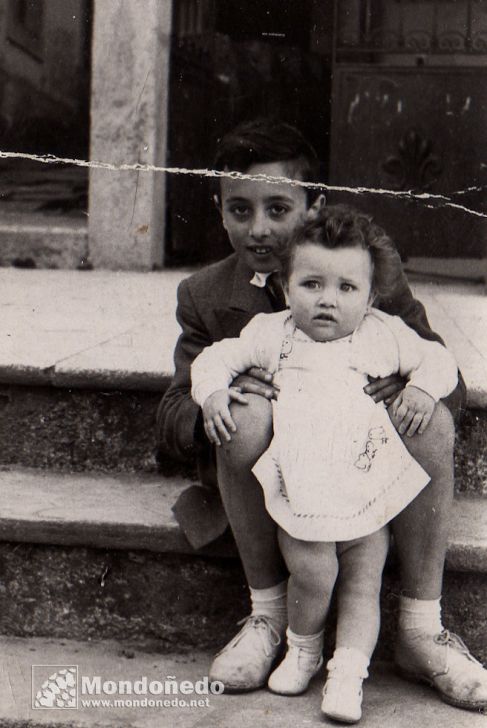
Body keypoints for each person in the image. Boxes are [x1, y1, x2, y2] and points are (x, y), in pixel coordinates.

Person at [157, 118, 487, 710]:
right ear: (219, 210)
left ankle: (419, 626)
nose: (258, 229)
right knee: (248, 414)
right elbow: (173, 413)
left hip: (356, 460)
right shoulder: (204, 294)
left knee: (431, 417)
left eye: (279, 208)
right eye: (238, 210)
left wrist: (402, 385)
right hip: (275, 475)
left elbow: (447, 376)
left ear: (315, 204)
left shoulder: (363, 273)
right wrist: (223, 399)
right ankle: (266, 617)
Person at [190, 205, 459, 722]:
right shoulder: (273, 333)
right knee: (311, 574)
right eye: (311, 284)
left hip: (365, 492)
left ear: (371, 296)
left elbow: (439, 359)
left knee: (361, 584)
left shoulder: (384, 332)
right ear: (286, 288)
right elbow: (214, 358)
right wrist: (213, 395)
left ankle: (349, 676)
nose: (328, 301)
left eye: (346, 289)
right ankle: (299, 647)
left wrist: (422, 389)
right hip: (303, 495)